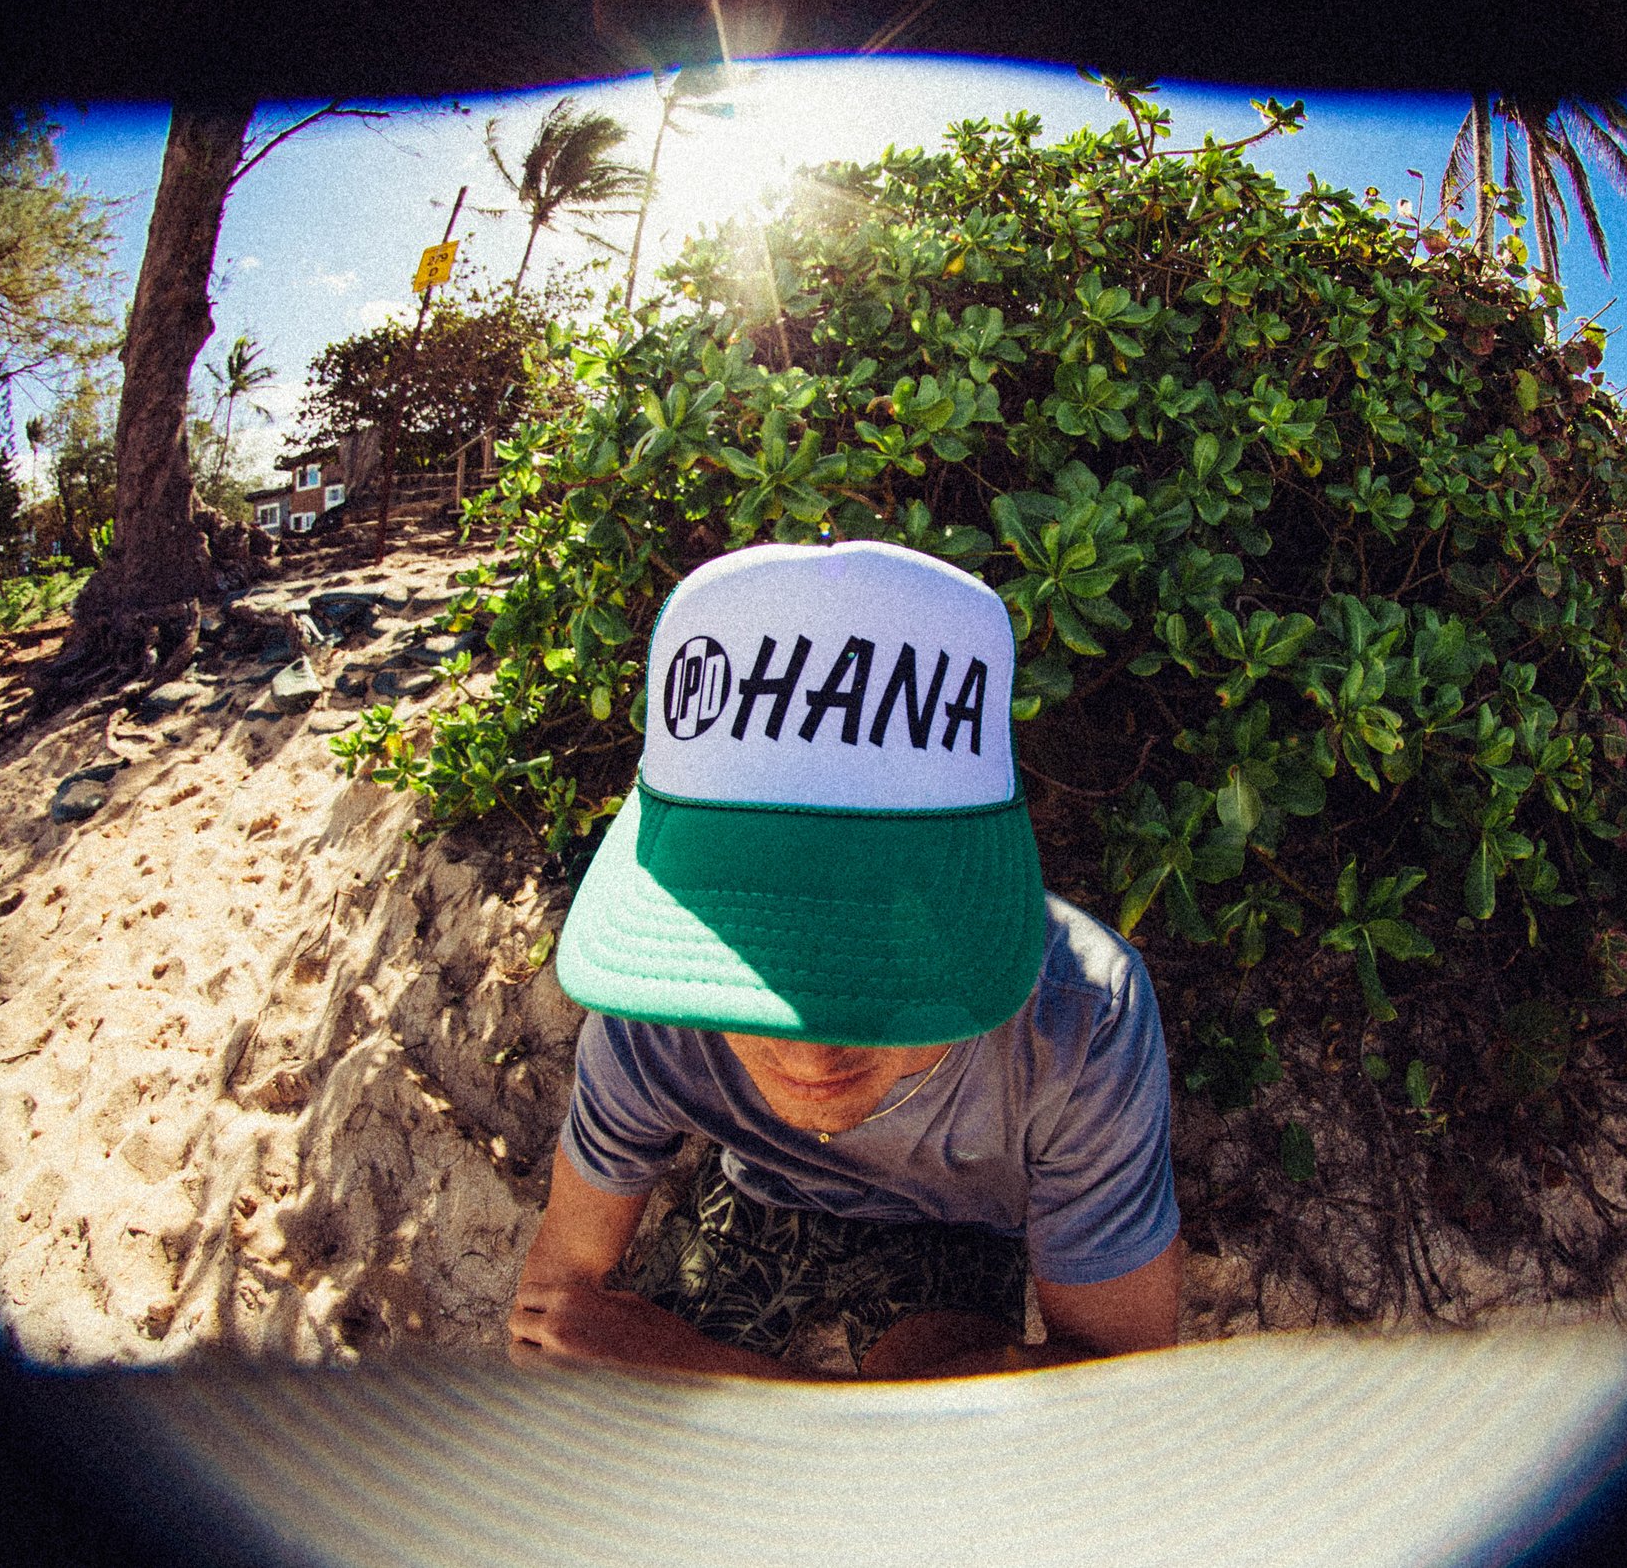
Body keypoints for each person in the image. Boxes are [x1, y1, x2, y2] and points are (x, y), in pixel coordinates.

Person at [507, 539, 1183, 1380]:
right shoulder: (650, 999)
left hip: (950, 1235)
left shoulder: (1080, 1022)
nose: (809, 1054)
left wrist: (696, 1368)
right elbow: (554, 1302)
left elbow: (1110, 1394)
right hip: (751, 1194)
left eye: (881, 964)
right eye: (745, 959)